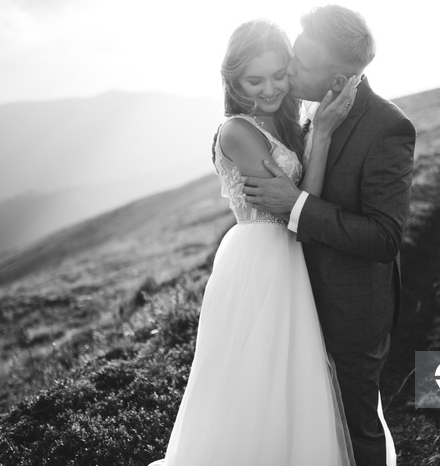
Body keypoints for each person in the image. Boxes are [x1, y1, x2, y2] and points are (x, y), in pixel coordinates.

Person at [148, 19, 358, 465]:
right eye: (254, 80)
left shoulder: (288, 121)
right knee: (258, 384)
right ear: (234, 80)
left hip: (296, 258)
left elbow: (302, 206)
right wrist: (320, 136)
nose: (269, 89)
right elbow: (300, 208)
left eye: (279, 75)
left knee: (297, 382)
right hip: (262, 263)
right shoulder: (237, 132)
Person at [242, 5, 416, 466]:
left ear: (339, 79)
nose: (289, 68)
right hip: (299, 305)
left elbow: (384, 237)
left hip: (351, 316)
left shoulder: (388, 128)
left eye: (301, 64)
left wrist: (294, 204)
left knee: (357, 431)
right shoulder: (309, 116)